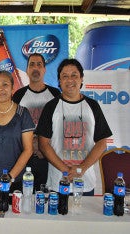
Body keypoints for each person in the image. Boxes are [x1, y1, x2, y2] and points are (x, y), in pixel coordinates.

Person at [36, 58, 112, 195]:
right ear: (59, 81)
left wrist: (82, 168)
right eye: (64, 76)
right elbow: (43, 144)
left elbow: (102, 142)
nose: (69, 80)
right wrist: (66, 170)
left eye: (74, 75)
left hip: (85, 182)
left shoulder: (93, 106)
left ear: (82, 79)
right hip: (58, 182)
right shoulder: (51, 107)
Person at [12, 53, 60, 192]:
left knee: (45, 199)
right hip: (25, 157)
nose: (35, 68)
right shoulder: (19, 95)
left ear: (45, 69)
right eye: (32, 64)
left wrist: (43, 145)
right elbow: (14, 126)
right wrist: (31, 143)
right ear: (27, 70)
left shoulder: (55, 94)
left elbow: (59, 126)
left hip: (49, 158)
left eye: (39, 64)